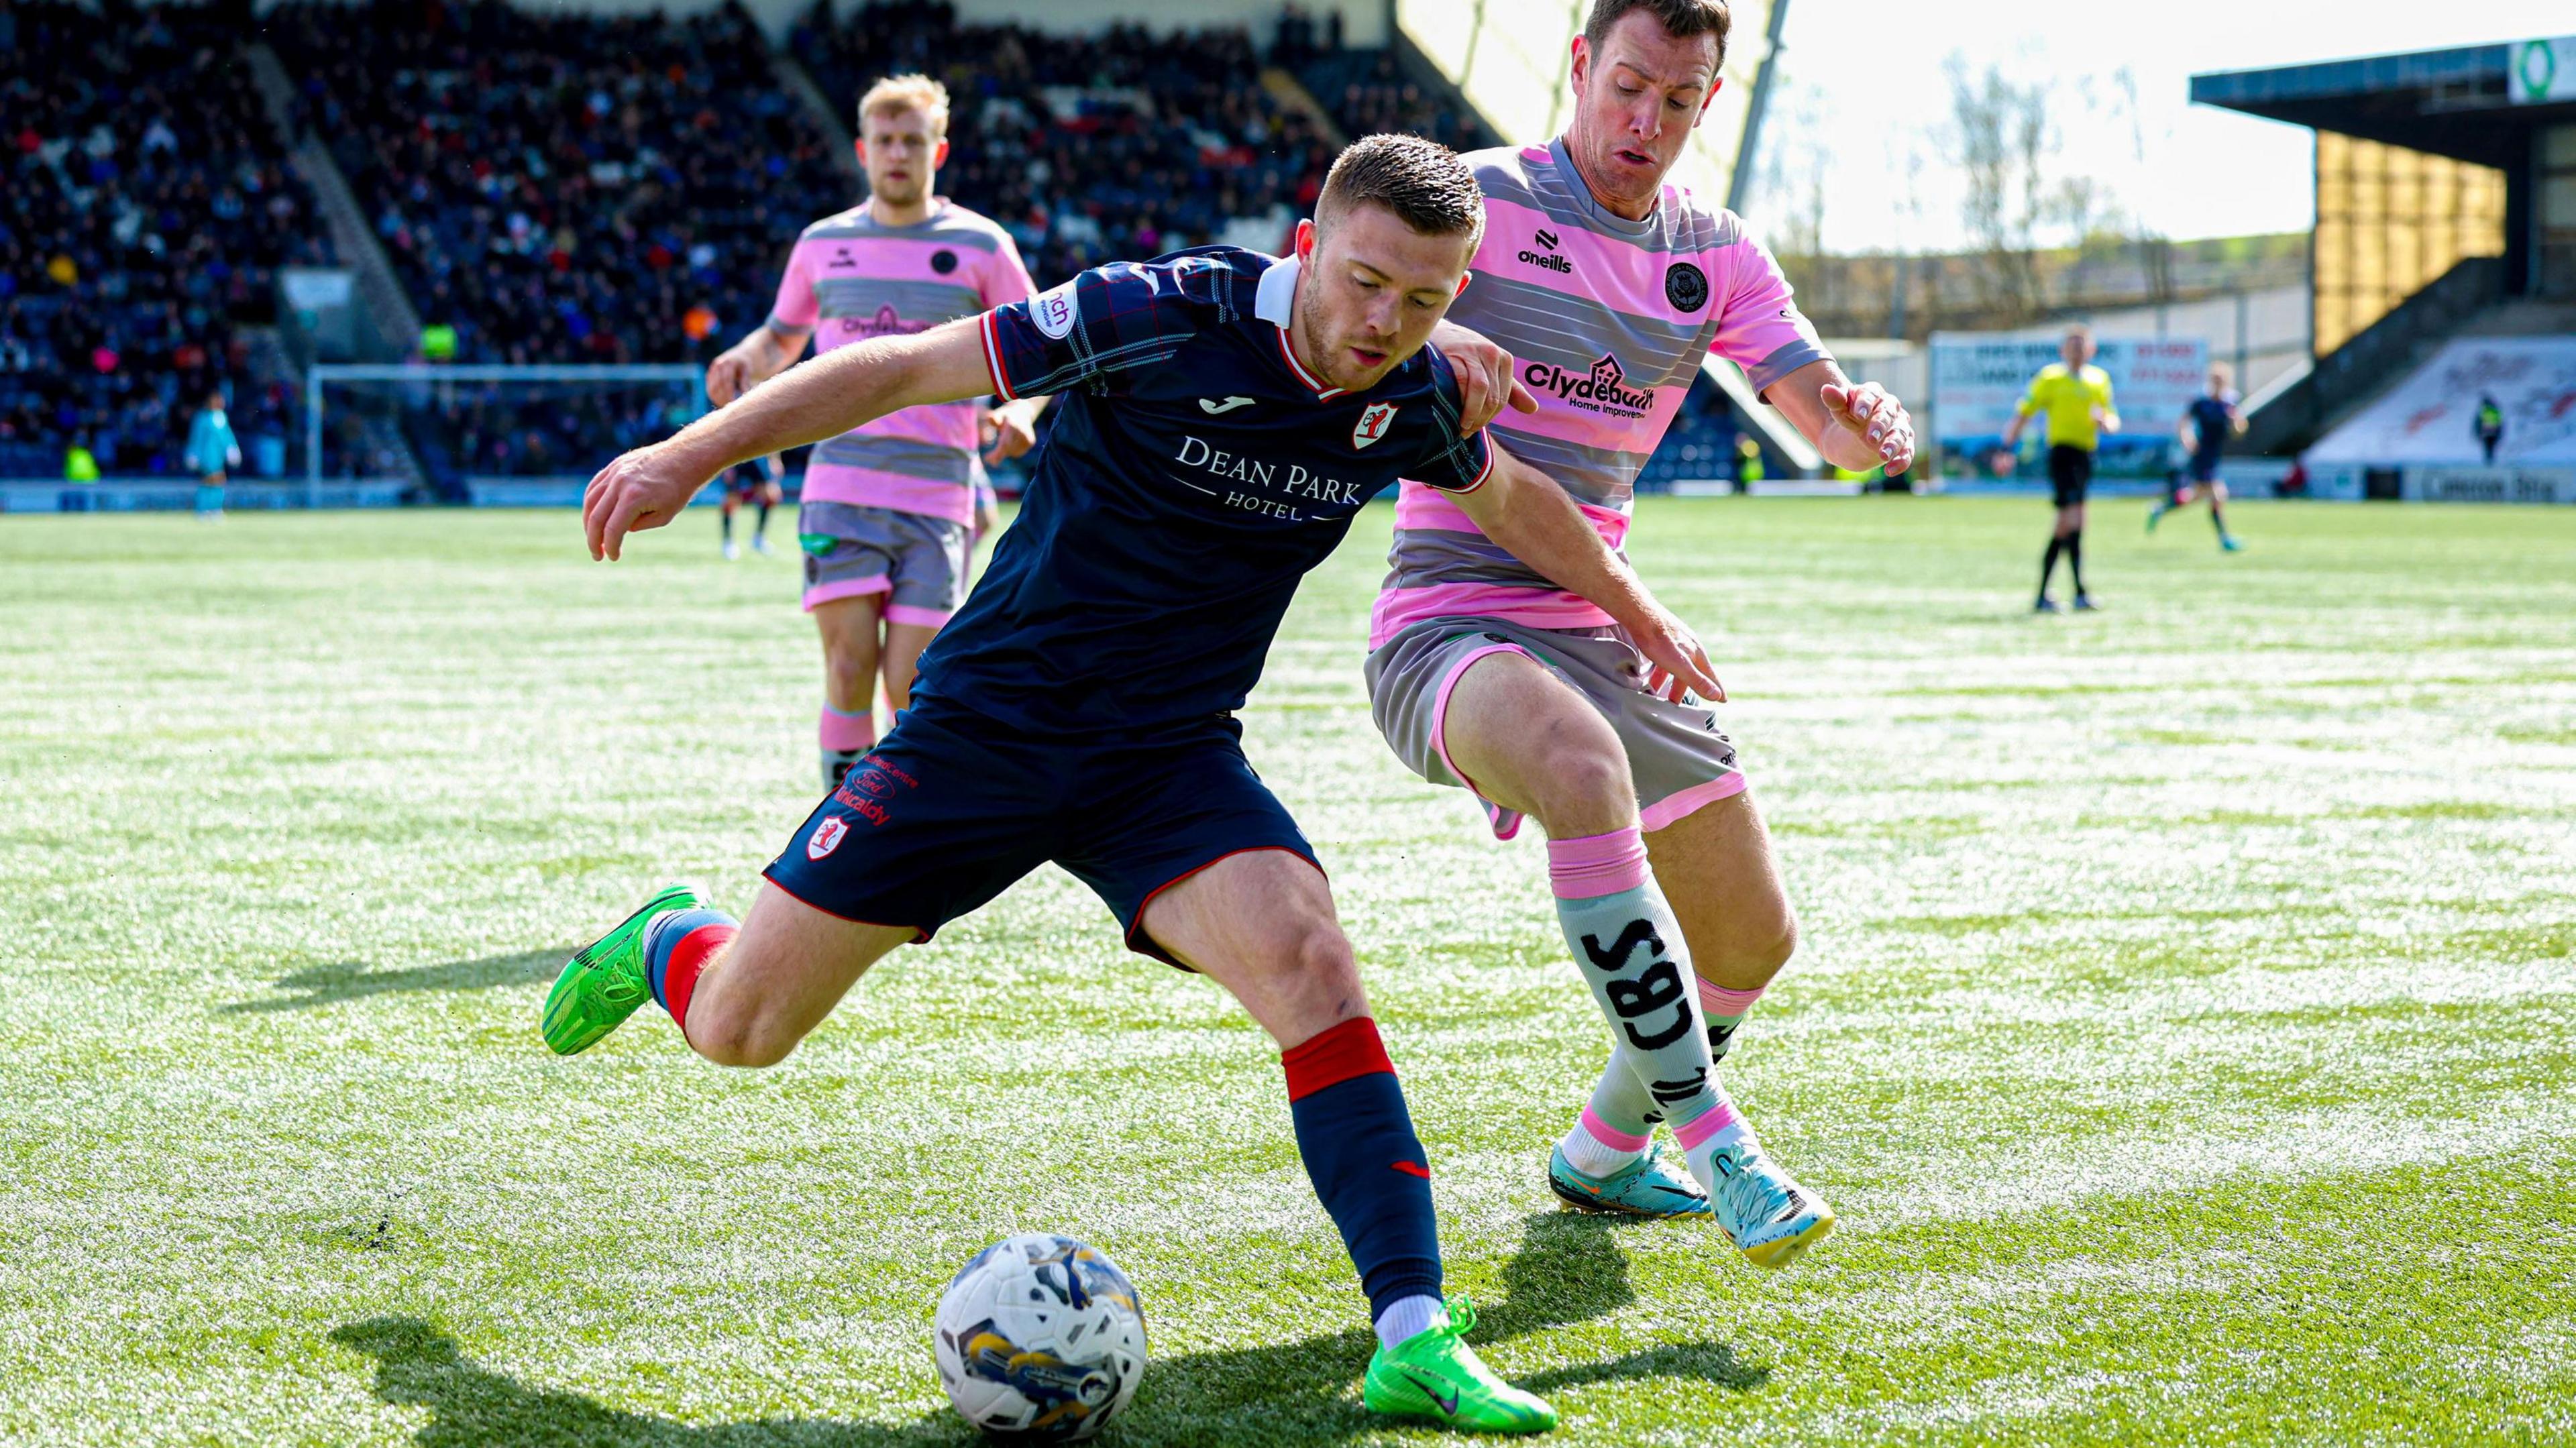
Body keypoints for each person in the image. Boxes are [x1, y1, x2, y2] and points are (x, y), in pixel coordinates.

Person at [547, 135, 1728, 1434]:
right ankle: (668, 938)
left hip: (1167, 756)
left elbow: (1508, 495)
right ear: (1306, 246)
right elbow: (896, 366)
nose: (1383, 322)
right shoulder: (1154, 312)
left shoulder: (1417, 392)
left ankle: (1411, 1327)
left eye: (1426, 300)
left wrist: (1635, 603)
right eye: (1364, 281)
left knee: (1312, 966)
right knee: (739, 1028)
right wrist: (692, 454)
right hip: (981, 733)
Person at [1364, 0, 1913, 1263]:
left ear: (1710, 102)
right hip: (1450, 618)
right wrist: (1433, 325)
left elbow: (1818, 420)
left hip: (1612, 625)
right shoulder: (1482, 201)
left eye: (1677, 100)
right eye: (1627, 87)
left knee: (1751, 936)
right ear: (1579, 66)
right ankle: (1722, 1144)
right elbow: (1366, 300)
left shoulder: (1716, 254)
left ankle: (1606, 1152)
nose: (1644, 122)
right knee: (1577, 768)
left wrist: (1864, 427)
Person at [704, 74, 1051, 789]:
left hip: (938, 496)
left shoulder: (981, 244)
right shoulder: (823, 243)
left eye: (912, 141)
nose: (898, 154)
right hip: (842, 485)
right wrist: (746, 356)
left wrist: (1020, 411)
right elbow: (782, 337)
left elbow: (1045, 347)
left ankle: (901, 829)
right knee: (848, 666)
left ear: (939, 151)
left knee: (914, 685)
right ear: (863, 151)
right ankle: (840, 834)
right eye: (885, 141)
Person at [2001, 324, 2116, 612]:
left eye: (2082, 345)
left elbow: (2112, 419)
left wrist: (2106, 423)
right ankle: (2065, 593)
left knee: (2075, 524)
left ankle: (2064, 594)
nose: (2077, 351)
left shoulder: (2099, 380)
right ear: (2063, 350)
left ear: (2092, 350)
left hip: (2086, 456)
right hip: (2062, 455)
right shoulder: (2050, 378)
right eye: (2072, 345)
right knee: (2070, 521)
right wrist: (2006, 448)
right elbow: (2023, 412)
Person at [2150, 362, 2245, 550]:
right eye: (2215, 380)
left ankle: (2161, 509)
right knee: (2218, 495)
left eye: (2222, 380)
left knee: (2196, 496)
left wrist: (2236, 420)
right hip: (2202, 454)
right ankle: (2224, 538)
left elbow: (2239, 431)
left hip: (2215, 455)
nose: (2218, 384)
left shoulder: (2229, 405)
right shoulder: (2202, 403)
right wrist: (2187, 439)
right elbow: (2182, 423)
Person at [185, 389, 239, 520]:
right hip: (206, 455)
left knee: (218, 481)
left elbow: (227, 436)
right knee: (210, 480)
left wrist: (232, 449)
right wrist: (193, 454)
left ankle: (214, 508)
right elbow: (196, 438)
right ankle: (203, 509)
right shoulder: (202, 418)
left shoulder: (222, 417)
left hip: (218, 456)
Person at [716, 453, 784, 559]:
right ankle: (728, 542)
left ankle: (758, 539)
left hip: (758, 454)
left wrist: (775, 459)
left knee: (770, 497)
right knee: (731, 500)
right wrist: (725, 464)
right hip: (734, 456)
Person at [2475, 392, 2505, 463]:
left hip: (2486, 432)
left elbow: (2479, 422)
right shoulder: (2496, 411)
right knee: (2491, 447)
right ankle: (2491, 459)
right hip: (2494, 432)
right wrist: (2500, 432)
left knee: (2487, 447)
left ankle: (2488, 459)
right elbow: (2500, 423)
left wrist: (2478, 432)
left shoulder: (2484, 411)